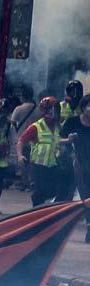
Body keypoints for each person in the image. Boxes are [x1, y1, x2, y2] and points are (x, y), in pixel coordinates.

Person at [19, 97, 75, 206]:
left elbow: (55, 140)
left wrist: (68, 140)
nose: (55, 112)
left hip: (53, 163)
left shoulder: (57, 126)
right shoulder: (36, 126)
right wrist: (19, 155)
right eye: (52, 109)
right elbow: (21, 141)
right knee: (41, 190)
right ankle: (36, 209)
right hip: (39, 165)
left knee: (54, 189)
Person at [60, 94, 90, 243]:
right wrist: (68, 140)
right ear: (83, 107)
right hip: (74, 164)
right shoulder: (72, 122)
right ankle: (61, 228)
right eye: (89, 105)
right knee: (72, 196)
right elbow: (58, 138)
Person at [10, 86, 40, 191]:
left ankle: (25, 183)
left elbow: (12, 123)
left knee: (22, 162)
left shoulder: (19, 109)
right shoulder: (38, 109)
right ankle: (32, 183)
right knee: (32, 162)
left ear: (23, 96)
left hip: (21, 140)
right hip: (34, 140)